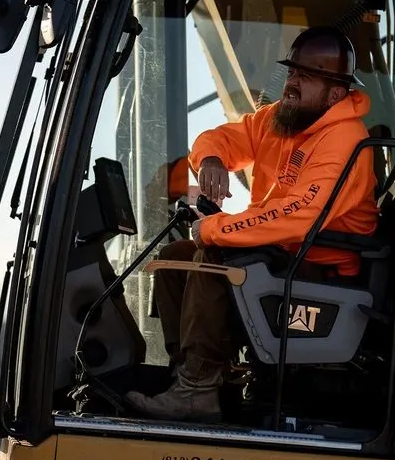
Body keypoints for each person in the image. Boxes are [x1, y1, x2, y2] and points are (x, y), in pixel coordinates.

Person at [126, 25, 379, 423]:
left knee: (211, 260)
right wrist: (210, 160)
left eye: (306, 76)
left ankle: (197, 389)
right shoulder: (281, 118)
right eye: (292, 73)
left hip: (319, 267)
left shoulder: (345, 140)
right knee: (176, 259)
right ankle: (199, 380)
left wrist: (216, 229)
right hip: (282, 252)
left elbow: (299, 215)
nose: (292, 83)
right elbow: (223, 137)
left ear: (335, 93)